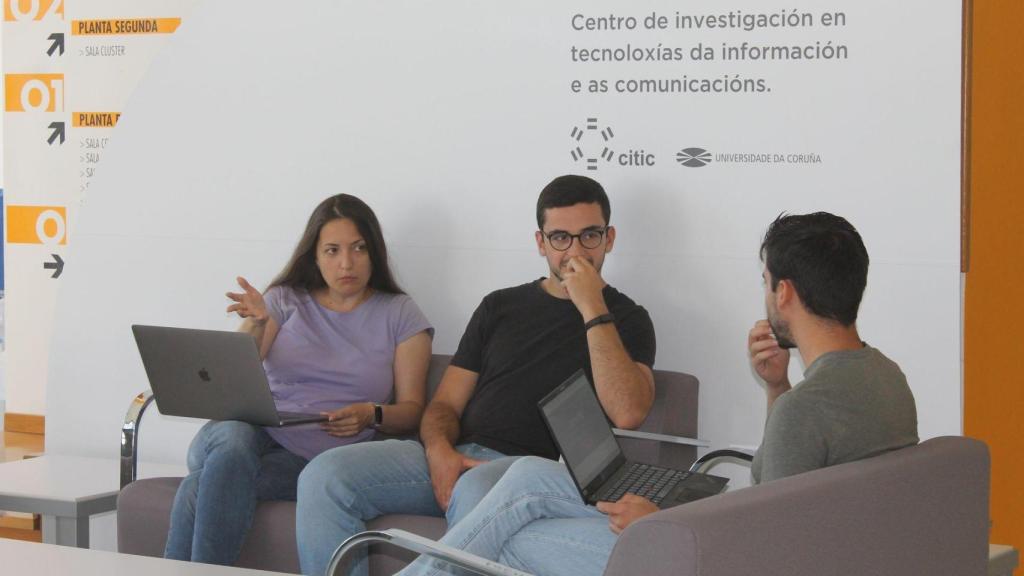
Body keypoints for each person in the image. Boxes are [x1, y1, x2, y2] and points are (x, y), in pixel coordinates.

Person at [393, 211, 919, 576]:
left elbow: (762, 553)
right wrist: (778, 385)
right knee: (529, 477)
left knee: (505, 541)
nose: (766, 292)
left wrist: (660, 525)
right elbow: (789, 491)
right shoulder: (883, 376)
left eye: (766, 280)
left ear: (784, 292)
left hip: (700, 557)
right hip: (735, 531)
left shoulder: (805, 412)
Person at [295, 175, 657, 576]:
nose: (575, 251)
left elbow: (629, 413)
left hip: (528, 475)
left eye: (589, 236)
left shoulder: (628, 318)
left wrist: (591, 307)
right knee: (324, 476)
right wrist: (440, 452)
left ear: (609, 238)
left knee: (477, 492)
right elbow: (445, 403)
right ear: (540, 243)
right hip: (459, 453)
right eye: (560, 238)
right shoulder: (499, 307)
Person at [164, 194, 433, 566]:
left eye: (358, 249)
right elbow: (233, 376)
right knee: (234, 439)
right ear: (314, 256)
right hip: (254, 429)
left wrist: (372, 414)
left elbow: (412, 411)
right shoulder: (284, 298)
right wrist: (258, 322)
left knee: (202, 485)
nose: (346, 263)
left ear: (374, 252)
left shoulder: (399, 313)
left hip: (311, 457)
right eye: (332, 251)